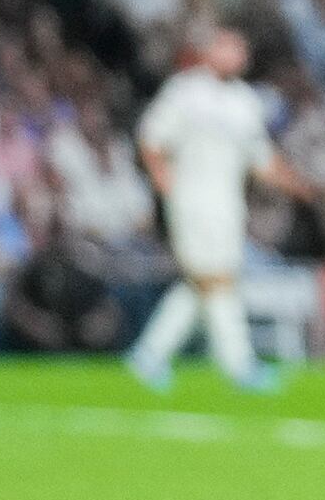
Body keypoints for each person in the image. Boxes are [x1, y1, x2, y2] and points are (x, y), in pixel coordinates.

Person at [125, 24, 307, 395]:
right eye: (230, 47)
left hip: (228, 203)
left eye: (241, 49)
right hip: (193, 198)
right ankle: (239, 364)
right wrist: (161, 176)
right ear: (209, 51)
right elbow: (151, 137)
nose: (238, 56)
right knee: (218, 279)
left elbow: (261, 159)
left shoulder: (245, 101)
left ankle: (148, 354)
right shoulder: (185, 91)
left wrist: (300, 186)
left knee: (202, 281)